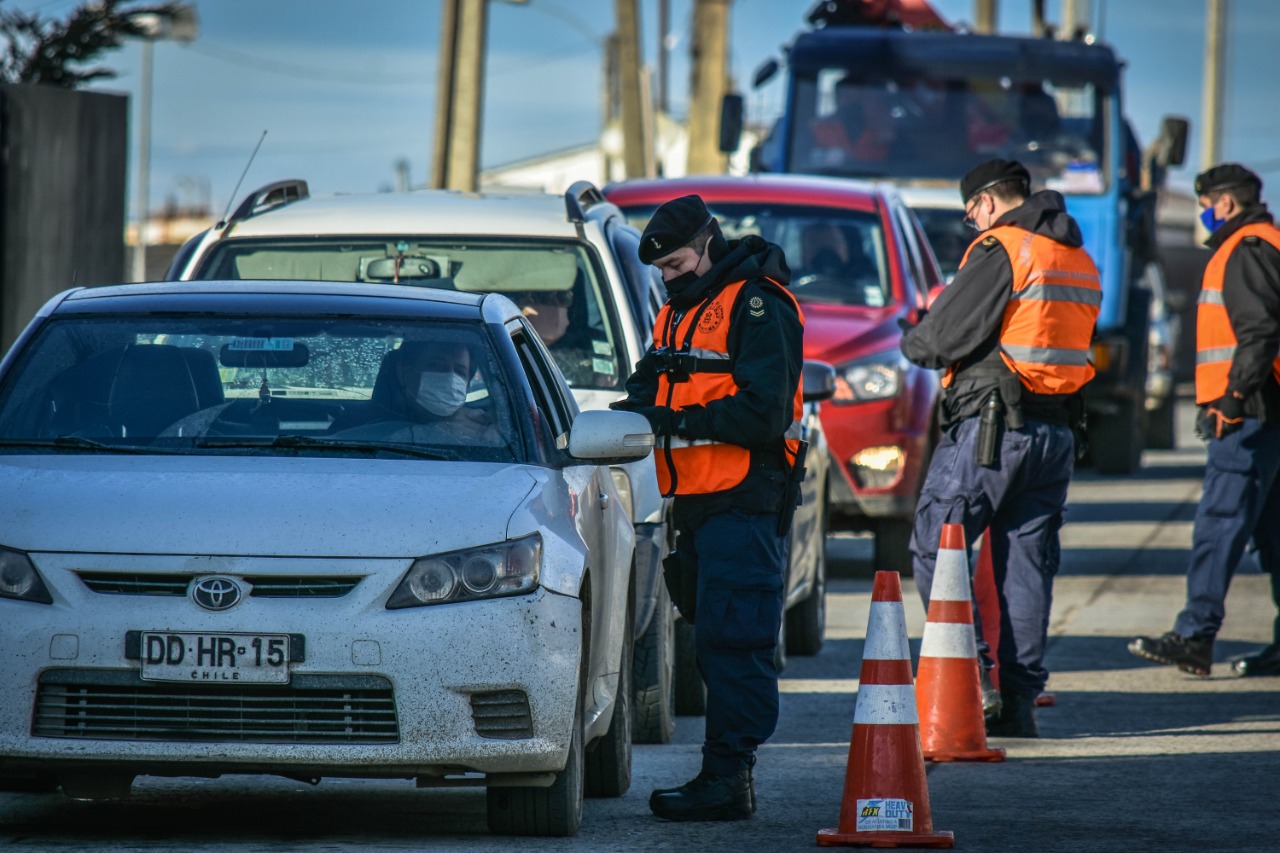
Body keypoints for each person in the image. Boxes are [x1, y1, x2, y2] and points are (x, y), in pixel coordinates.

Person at [611, 194, 804, 820]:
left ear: (709, 242)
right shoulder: (681, 312)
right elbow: (651, 380)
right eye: (663, 270)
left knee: (734, 640)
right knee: (712, 639)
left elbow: (763, 412)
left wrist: (674, 420)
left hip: (744, 499)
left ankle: (729, 778)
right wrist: (617, 418)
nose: (670, 277)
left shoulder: (757, 304)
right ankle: (723, 775)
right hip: (697, 501)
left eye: (677, 263)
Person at [899, 158, 1101, 737]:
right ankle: (1018, 703)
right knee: (1027, 567)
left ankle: (974, 677)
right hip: (1056, 433)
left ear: (987, 202)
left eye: (971, 214)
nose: (973, 225)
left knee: (939, 544)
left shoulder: (1004, 248)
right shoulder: (1076, 257)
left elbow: (939, 338)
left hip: (994, 430)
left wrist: (913, 338)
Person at [1129, 164, 1280, 678]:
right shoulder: (1267, 243)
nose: (1203, 214)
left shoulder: (1245, 250)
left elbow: (1259, 332)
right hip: (1269, 414)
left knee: (1219, 524)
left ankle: (1194, 636)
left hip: (1252, 415)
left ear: (1229, 204)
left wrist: (1234, 397)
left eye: (1207, 203)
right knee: (1274, 535)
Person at [330, 339, 495, 444]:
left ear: (467, 383)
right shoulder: (356, 424)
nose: (450, 378)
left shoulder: (482, 428)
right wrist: (439, 433)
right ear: (405, 373)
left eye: (459, 371)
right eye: (435, 366)